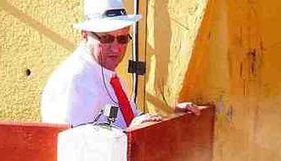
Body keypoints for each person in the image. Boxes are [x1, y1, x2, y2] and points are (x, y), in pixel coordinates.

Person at [41, 0, 199, 129]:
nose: (116, 48)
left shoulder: (111, 77)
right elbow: (72, 146)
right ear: (85, 35)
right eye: (106, 39)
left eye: (123, 39)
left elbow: (132, 119)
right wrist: (127, 133)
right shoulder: (74, 80)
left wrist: (172, 118)